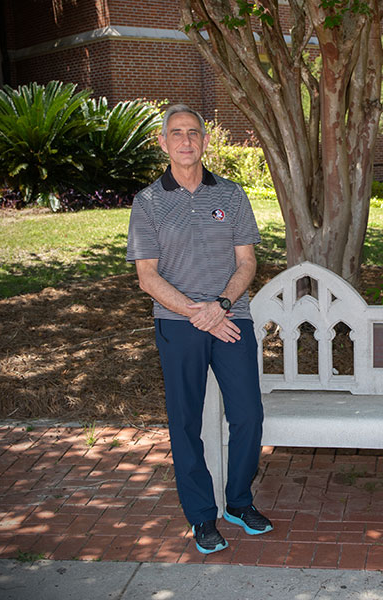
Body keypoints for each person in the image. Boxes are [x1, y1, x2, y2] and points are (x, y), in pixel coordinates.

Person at [126, 104, 272, 554]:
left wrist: (221, 306)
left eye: (193, 132)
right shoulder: (148, 202)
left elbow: (247, 261)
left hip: (231, 319)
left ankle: (239, 502)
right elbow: (147, 276)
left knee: (248, 415)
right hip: (179, 324)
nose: (185, 141)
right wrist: (197, 312)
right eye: (176, 133)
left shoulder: (230, 195)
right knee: (186, 423)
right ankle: (202, 516)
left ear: (205, 141)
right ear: (163, 142)